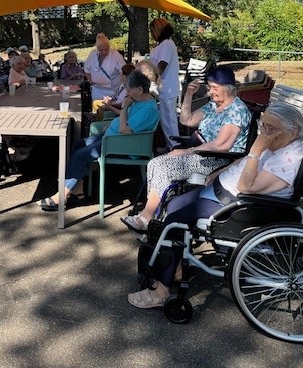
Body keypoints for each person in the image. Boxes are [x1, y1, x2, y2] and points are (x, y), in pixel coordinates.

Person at [127, 102, 303, 309]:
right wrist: (220, 172)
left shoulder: (290, 158)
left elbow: (246, 187)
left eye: (270, 129)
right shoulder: (280, 143)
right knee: (174, 205)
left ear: (293, 132)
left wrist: (256, 149)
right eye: (263, 125)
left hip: (237, 205)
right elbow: (244, 161)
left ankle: (160, 292)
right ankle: (176, 269)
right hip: (221, 191)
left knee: (175, 223)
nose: (264, 132)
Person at [121, 65, 251, 234]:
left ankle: (146, 218)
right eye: (209, 87)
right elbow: (186, 120)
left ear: (228, 89)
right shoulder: (214, 106)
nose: (210, 92)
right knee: (154, 163)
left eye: (214, 88)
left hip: (218, 159)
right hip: (202, 153)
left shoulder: (237, 110)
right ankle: (156, 216)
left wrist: (185, 151)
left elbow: (221, 145)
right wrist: (188, 94)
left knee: (164, 166)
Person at [37, 71, 160, 211]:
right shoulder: (139, 101)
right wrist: (116, 119)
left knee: (81, 156)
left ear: (139, 89)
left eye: (128, 88)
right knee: (79, 144)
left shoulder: (149, 109)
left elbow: (125, 130)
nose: (126, 91)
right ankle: (78, 191)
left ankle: (61, 196)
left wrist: (125, 107)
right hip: (113, 137)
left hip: (123, 144)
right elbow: (126, 119)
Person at [148, 18, 180, 150]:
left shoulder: (166, 44)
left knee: (169, 121)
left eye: (152, 31)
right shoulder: (164, 44)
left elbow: (162, 65)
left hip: (167, 88)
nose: (151, 35)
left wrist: (152, 78)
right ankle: (169, 146)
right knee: (165, 120)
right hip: (164, 88)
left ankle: (175, 148)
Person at [84, 33, 126, 102]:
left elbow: (124, 70)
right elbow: (86, 69)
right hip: (97, 90)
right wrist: (90, 80)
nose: (104, 52)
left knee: (110, 111)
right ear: (97, 48)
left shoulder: (116, 55)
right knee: (97, 109)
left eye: (106, 49)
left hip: (113, 90)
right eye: (101, 50)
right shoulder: (92, 54)